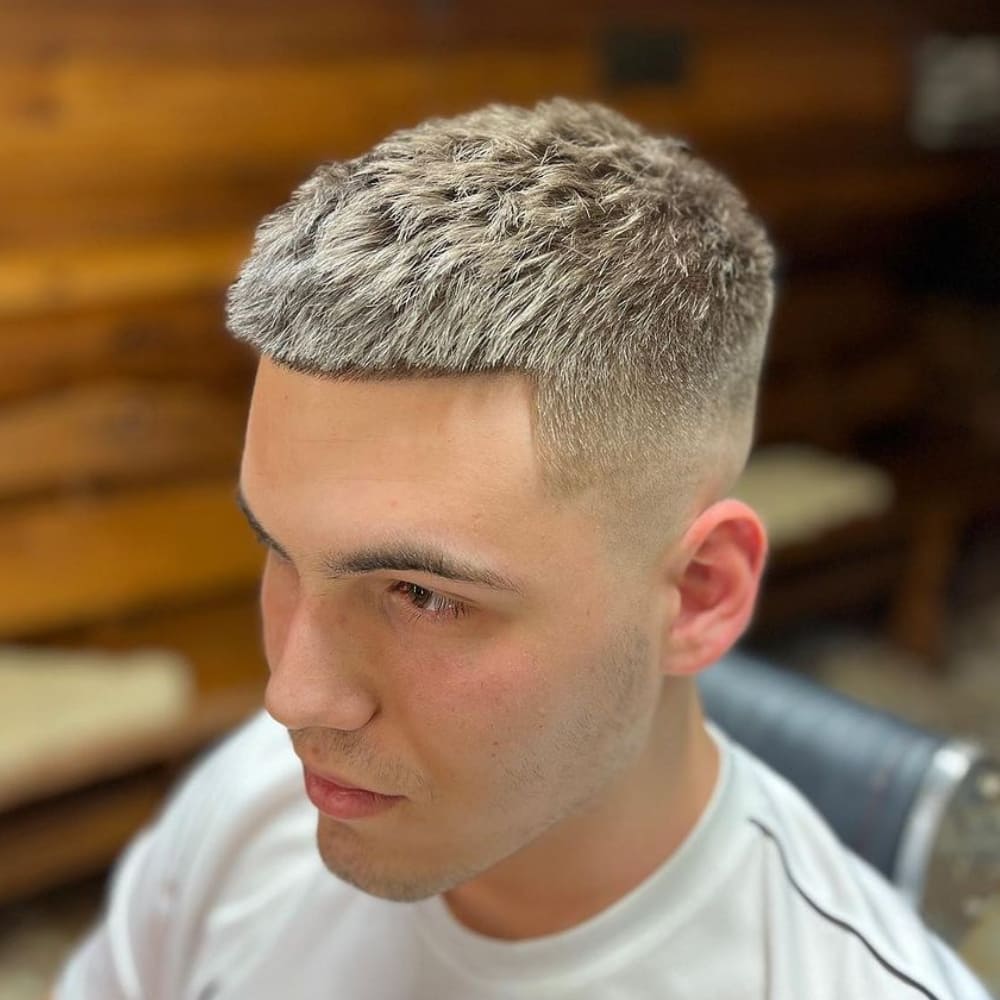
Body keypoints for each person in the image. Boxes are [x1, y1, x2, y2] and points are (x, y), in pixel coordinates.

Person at [56, 99, 990, 999]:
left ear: (699, 594)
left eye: (421, 595)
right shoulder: (248, 816)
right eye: (279, 550)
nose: (291, 699)